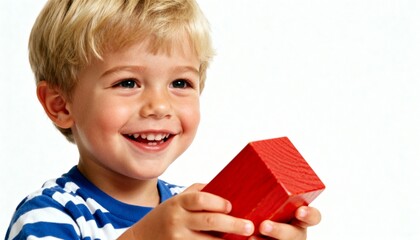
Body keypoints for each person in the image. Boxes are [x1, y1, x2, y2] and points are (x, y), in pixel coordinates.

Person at [6, 0, 321, 239]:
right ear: (61, 105)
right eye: (127, 83)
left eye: (180, 83)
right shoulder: (49, 215)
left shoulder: (194, 210)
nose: (159, 106)